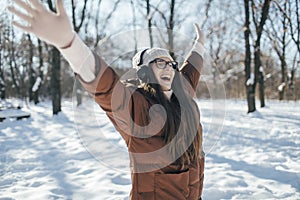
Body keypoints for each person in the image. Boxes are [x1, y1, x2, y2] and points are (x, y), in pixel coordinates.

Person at [8, 0, 206, 199]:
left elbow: (191, 70)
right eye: (159, 62)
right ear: (145, 73)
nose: (168, 68)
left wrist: (200, 44)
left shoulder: (182, 96)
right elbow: (107, 87)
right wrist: (69, 43)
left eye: (172, 64)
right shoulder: (137, 107)